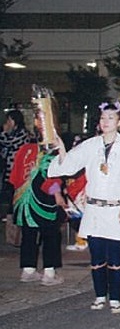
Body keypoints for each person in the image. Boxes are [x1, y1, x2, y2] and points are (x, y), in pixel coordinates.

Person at [47, 102, 120, 313]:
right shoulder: (91, 145)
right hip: (94, 209)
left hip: (116, 209)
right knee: (96, 257)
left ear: (119, 121)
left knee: (115, 257)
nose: (105, 122)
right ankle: (99, 295)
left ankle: (115, 297)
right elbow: (69, 164)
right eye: (103, 118)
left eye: (111, 118)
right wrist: (61, 149)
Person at [11, 113, 66, 286]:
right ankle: (49, 273)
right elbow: (50, 177)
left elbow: (14, 178)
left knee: (29, 234)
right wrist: (58, 194)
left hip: (23, 200)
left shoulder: (25, 150)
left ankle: (28, 270)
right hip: (44, 200)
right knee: (50, 234)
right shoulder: (50, 152)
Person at [1, 109, 30, 217]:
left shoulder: (22, 134)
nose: (7, 123)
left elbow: (8, 142)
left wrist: (4, 132)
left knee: (14, 196)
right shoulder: (13, 133)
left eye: (9, 120)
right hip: (9, 170)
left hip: (18, 171)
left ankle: (13, 218)